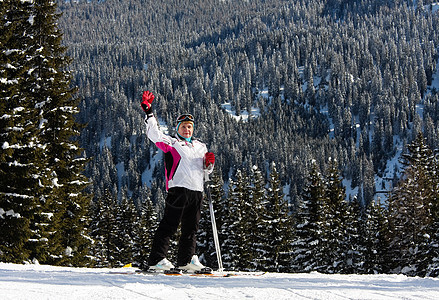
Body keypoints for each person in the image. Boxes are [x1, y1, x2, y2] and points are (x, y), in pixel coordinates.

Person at [140, 90, 215, 272]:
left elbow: (206, 171)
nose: (186, 130)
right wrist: (149, 113)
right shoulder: (172, 143)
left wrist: (209, 163)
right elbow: (155, 135)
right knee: (170, 225)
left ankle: (186, 260)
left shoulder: (200, 146)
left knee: (191, 229)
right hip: (178, 189)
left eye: (189, 127)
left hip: (197, 191)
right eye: (183, 127)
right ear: (177, 128)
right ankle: (156, 259)